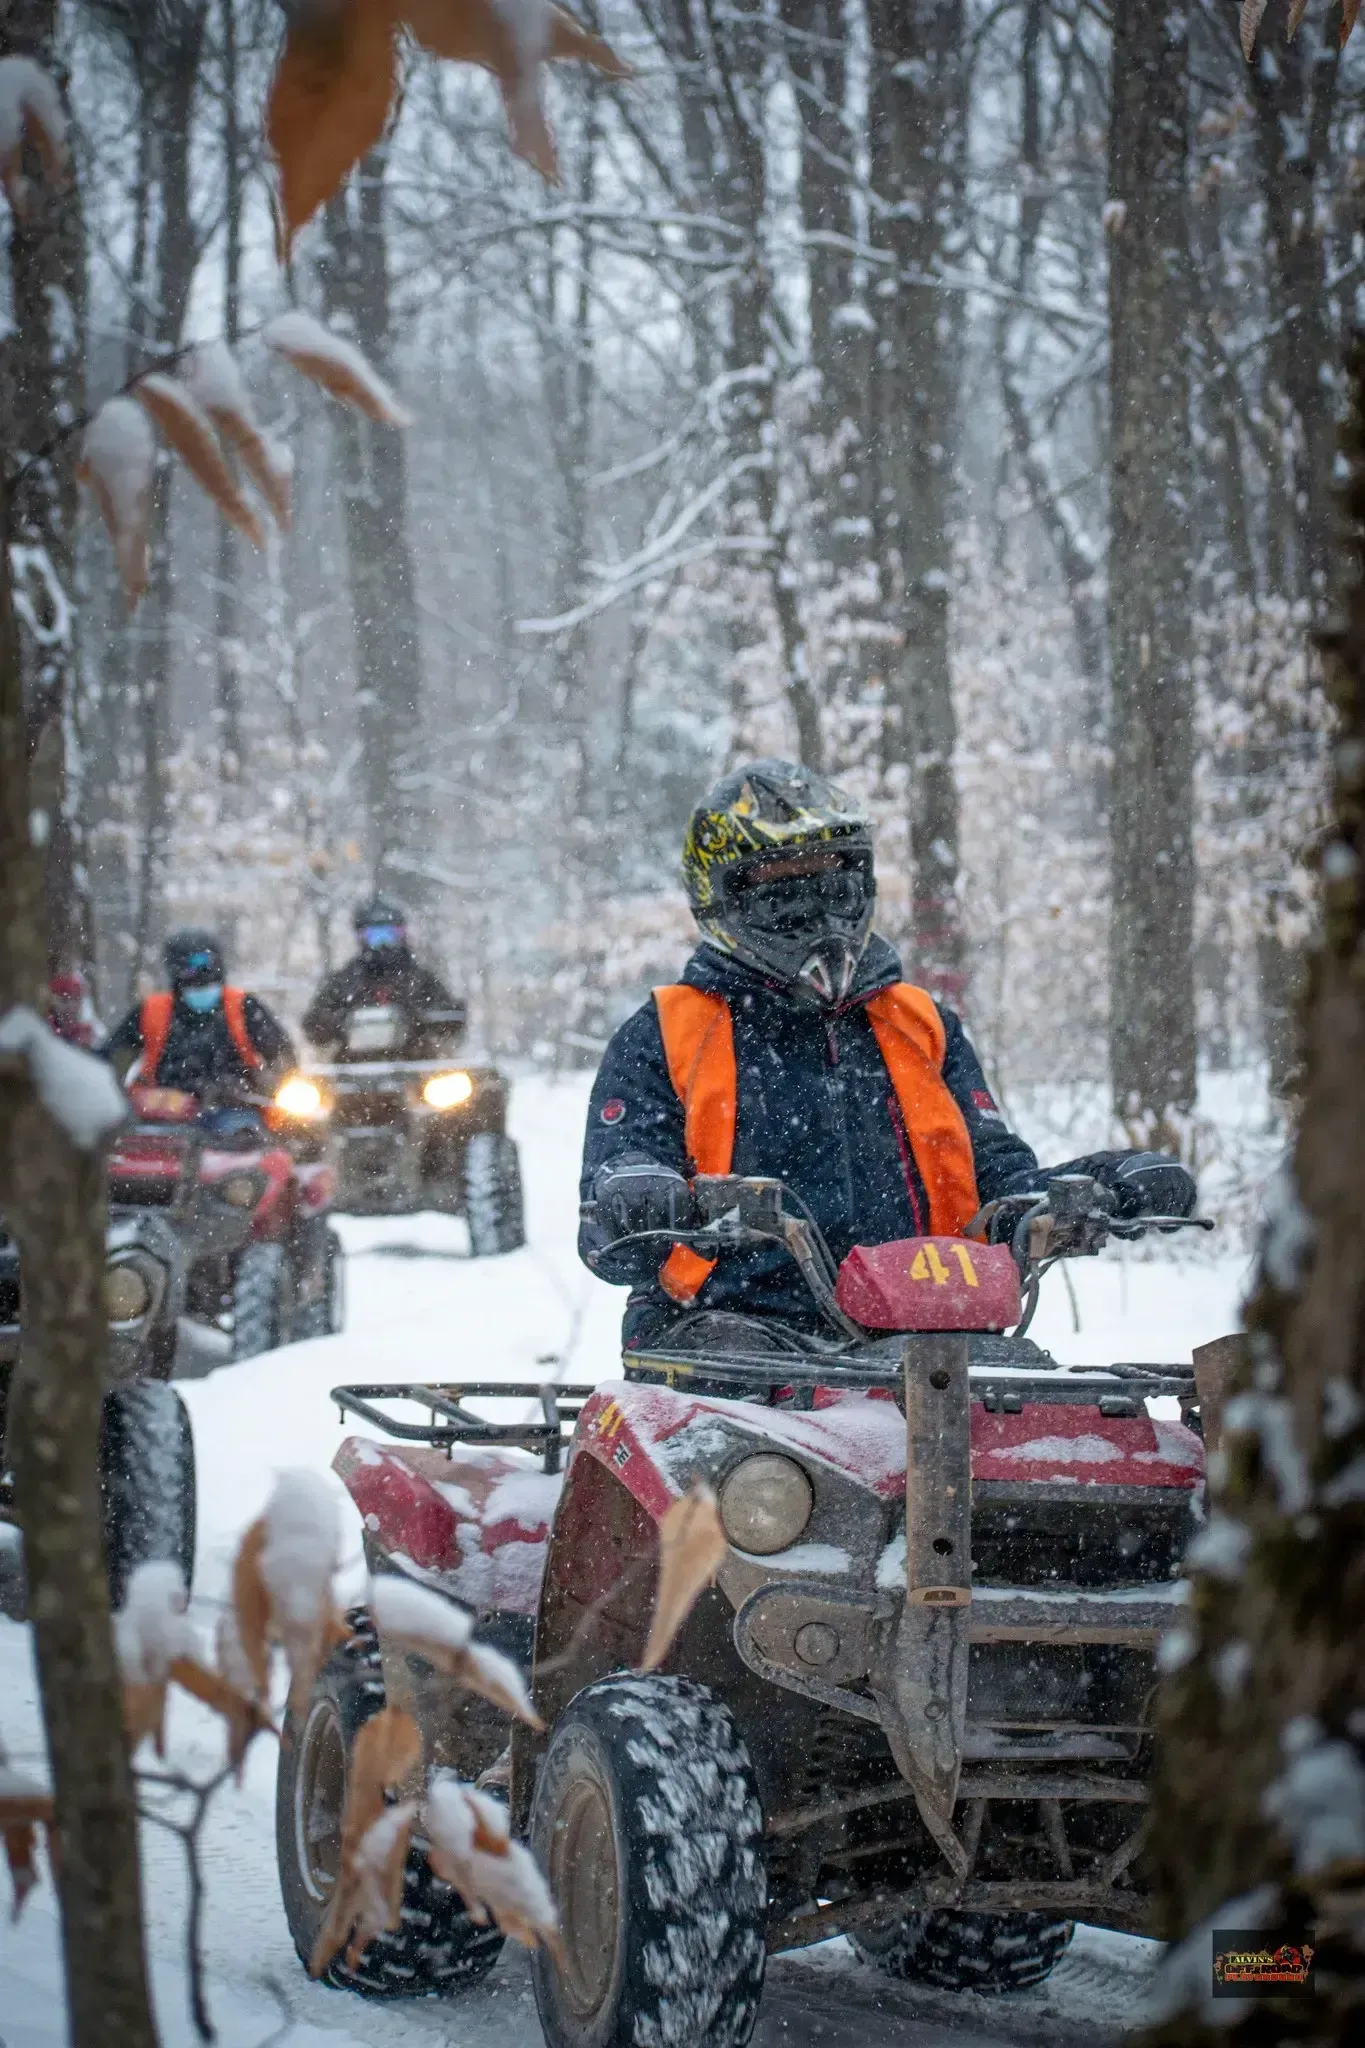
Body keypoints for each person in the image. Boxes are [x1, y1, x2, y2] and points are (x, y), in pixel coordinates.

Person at [579, 758, 1196, 1354]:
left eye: (835, 887)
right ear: (725, 900)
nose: (818, 915)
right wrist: (637, 1192)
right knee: (749, 1441)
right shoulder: (668, 1030)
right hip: (729, 1329)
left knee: (1054, 1433)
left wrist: (1096, 1185)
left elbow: (996, 1190)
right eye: (786, 896)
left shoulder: (918, 1022)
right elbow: (611, 1225)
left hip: (931, 1333)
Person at [106, 929, 296, 1095]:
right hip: (163, 1111)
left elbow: (280, 1052)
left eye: (206, 963)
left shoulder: (242, 1006)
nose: (200, 973)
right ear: (174, 969)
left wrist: (274, 1084)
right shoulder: (152, 1011)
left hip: (234, 1107)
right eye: (189, 967)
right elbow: (115, 1058)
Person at [302, 895, 467, 1060]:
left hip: (416, 1064)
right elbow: (314, 1025)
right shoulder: (345, 982)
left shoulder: (420, 981)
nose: (382, 944)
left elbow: (450, 1021)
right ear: (361, 938)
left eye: (389, 935)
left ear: (401, 935)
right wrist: (337, 1020)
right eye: (374, 936)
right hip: (350, 1067)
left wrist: (428, 1017)